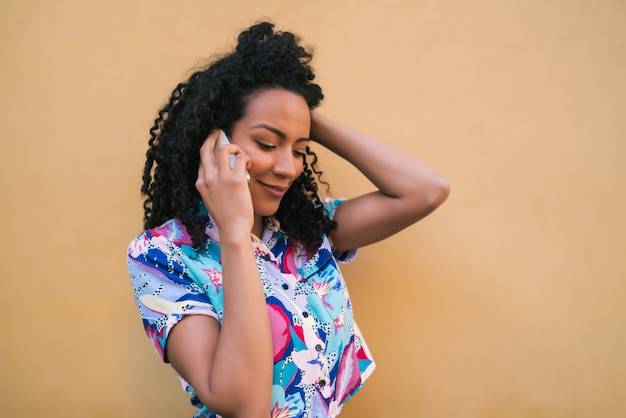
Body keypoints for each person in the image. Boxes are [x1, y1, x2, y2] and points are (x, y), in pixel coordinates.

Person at [127, 21, 449, 418]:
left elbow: (426, 190)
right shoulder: (162, 255)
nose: (288, 167)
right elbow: (244, 405)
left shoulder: (304, 230)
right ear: (213, 144)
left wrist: (299, 114)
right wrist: (234, 233)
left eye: (299, 149)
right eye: (267, 143)